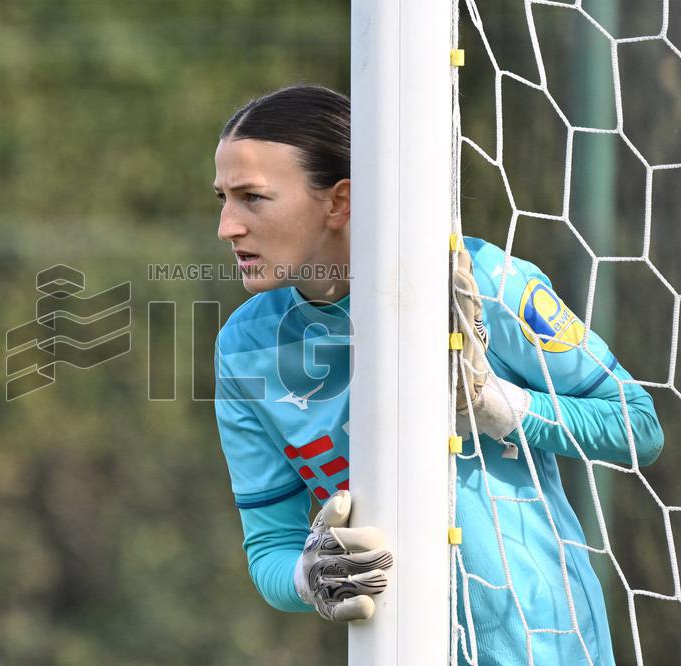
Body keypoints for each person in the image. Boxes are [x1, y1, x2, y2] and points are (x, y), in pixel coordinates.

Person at [212, 84, 664, 664]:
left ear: (339, 201)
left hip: (545, 644)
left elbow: (637, 425)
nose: (227, 225)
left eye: (252, 197)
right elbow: (269, 545)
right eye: (222, 198)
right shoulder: (243, 348)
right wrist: (309, 576)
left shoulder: (475, 281)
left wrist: (501, 408)